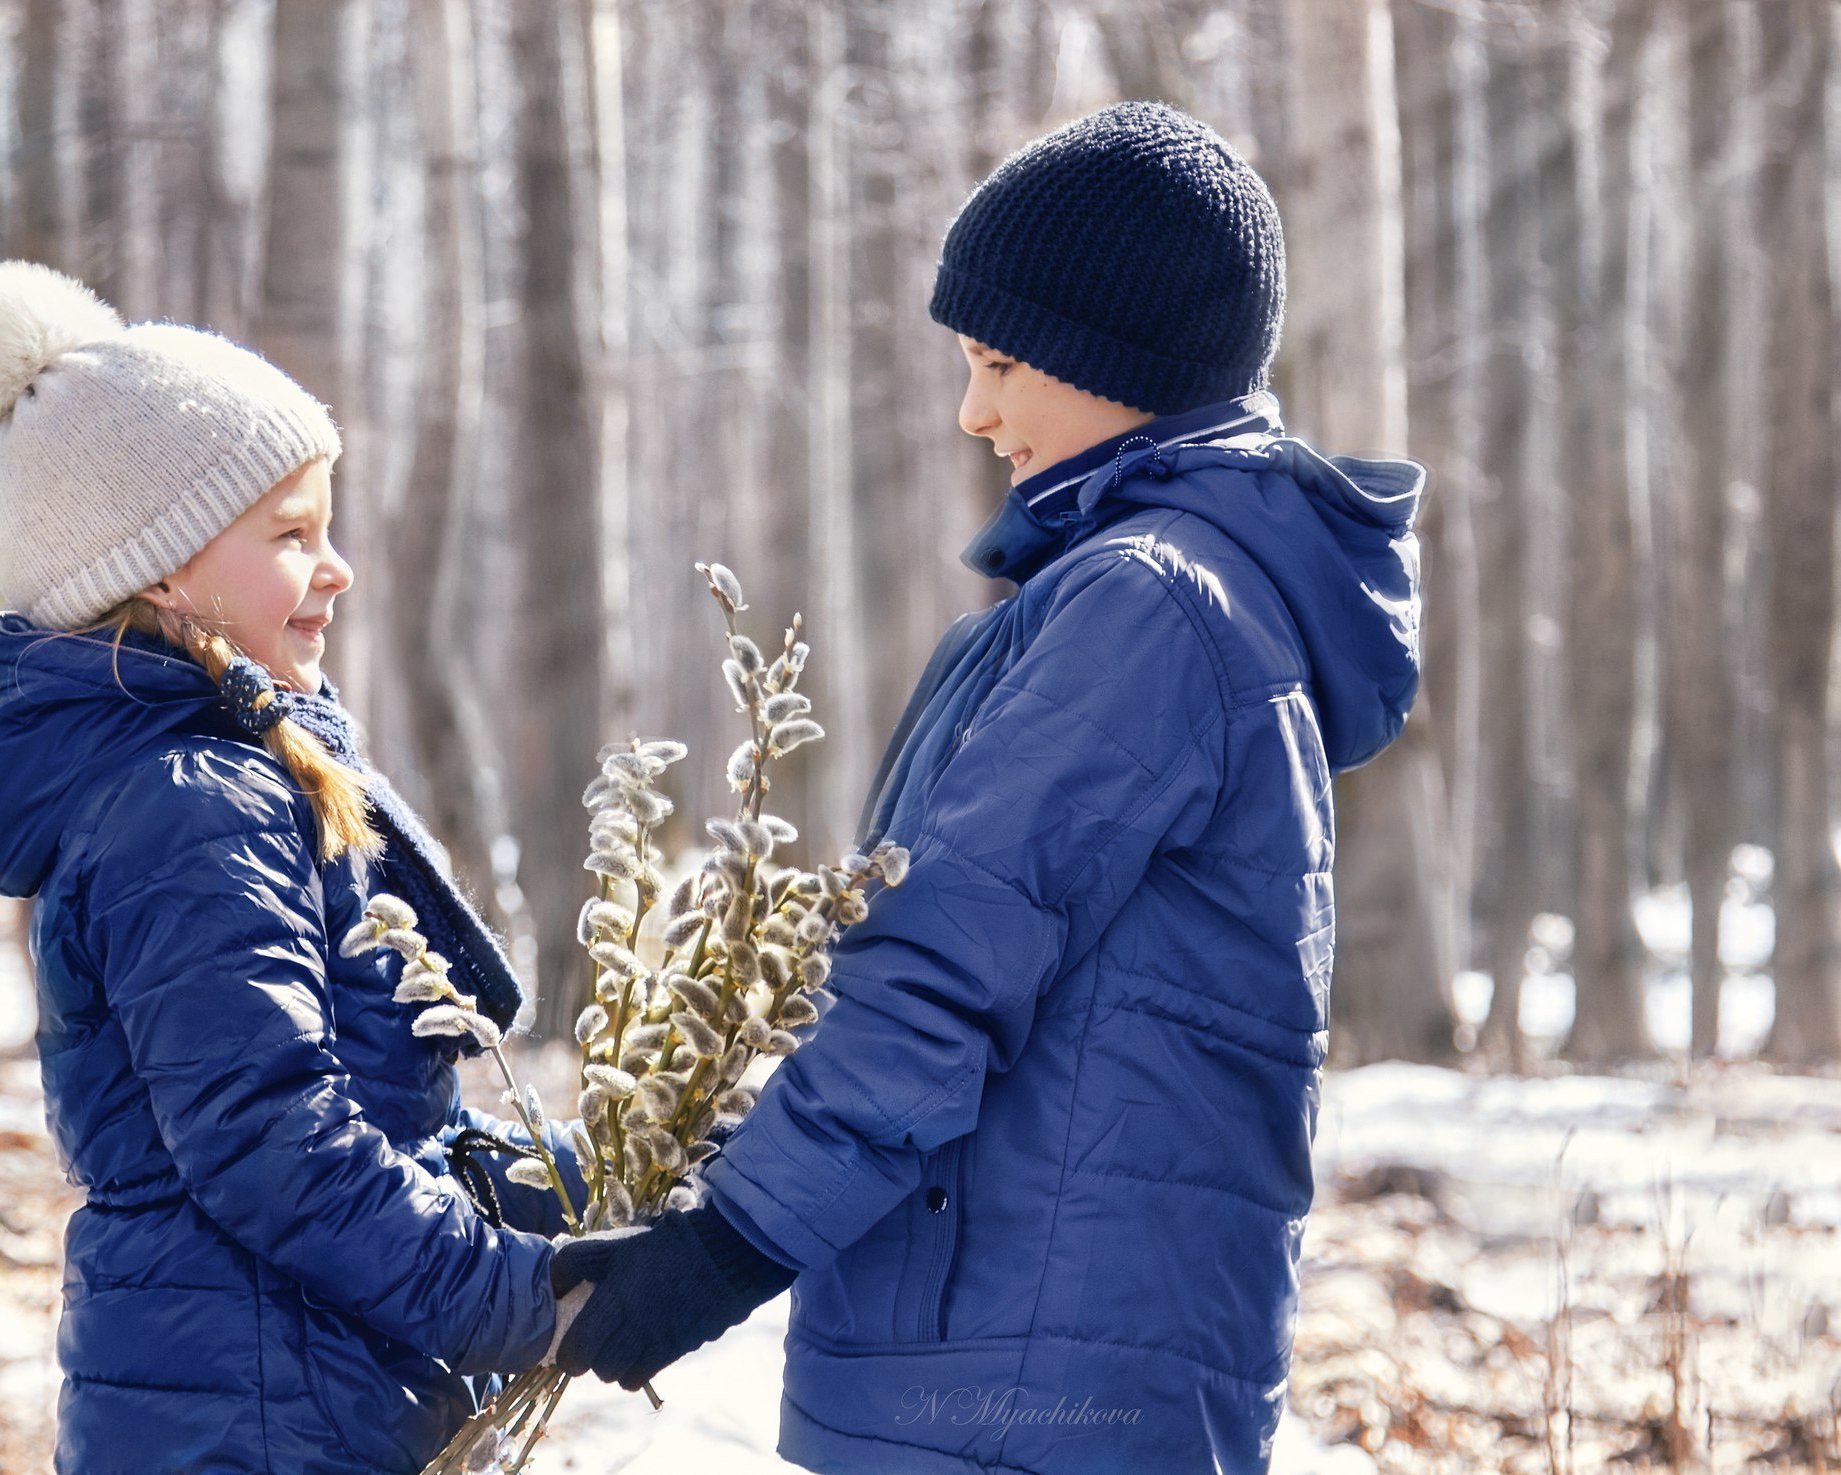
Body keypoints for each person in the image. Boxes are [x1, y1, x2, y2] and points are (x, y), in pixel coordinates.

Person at [550, 100, 1425, 1475]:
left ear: (1118, 357)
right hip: (1050, 1358)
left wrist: (729, 1241)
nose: (975, 410)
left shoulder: (1146, 608)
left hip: (1016, 1380)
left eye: (1002, 361)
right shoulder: (1164, 595)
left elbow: (943, 964)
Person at [0, 261, 583, 1474]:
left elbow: (365, 1110)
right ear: (164, 569)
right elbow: (274, 1143)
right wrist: (523, 1298)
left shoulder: (214, 779)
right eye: (290, 535)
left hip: (281, 1400)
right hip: (255, 1421)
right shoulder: (187, 807)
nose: (336, 567)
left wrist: (567, 1184)